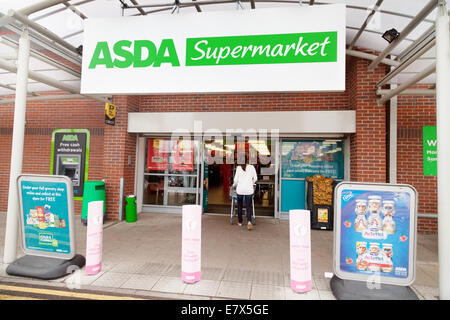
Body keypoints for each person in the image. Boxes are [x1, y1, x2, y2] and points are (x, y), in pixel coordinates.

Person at [232, 160, 257, 230]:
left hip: (240, 190)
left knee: (239, 206)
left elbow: (236, 180)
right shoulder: (252, 167)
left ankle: (240, 222)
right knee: (248, 206)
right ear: (247, 160)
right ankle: (249, 221)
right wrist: (250, 183)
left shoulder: (238, 168)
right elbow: (255, 178)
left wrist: (234, 185)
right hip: (249, 190)